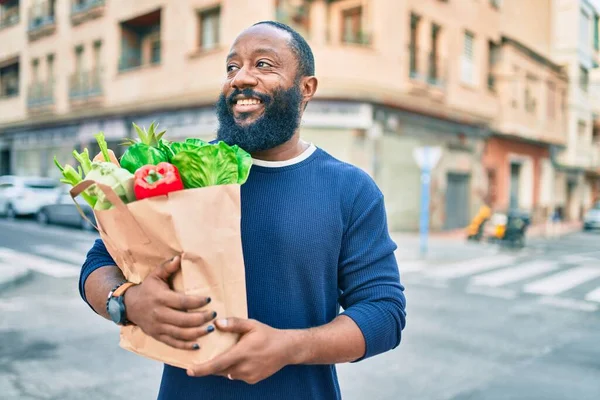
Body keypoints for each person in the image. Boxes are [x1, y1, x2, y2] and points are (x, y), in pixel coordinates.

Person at [79, 21, 406, 400]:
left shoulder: (350, 189)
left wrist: (290, 347)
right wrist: (126, 302)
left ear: (306, 88)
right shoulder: (178, 170)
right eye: (232, 68)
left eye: (263, 64)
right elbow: (98, 264)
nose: (240, 78)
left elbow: (384, 312)